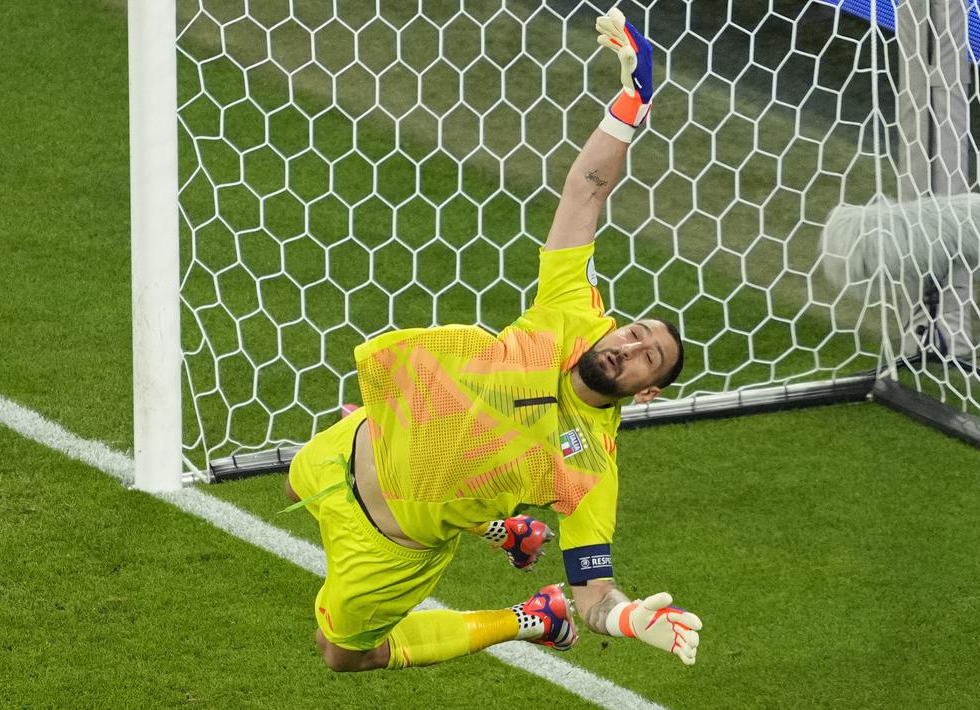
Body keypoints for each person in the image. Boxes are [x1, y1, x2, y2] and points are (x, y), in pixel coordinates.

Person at [283, 7, 702, 672]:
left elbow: (593, 588)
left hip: (389, 544)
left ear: (644, 392)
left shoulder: (589, 469)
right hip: (350, 444)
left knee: (342, 655)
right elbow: (586, 190)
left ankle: (531, 619)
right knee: (292, 483)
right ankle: (503, 528)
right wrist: (631, 101)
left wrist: (626, 617)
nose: (626, 345)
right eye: (634, 330)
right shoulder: (573, 312)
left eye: (644, 357)